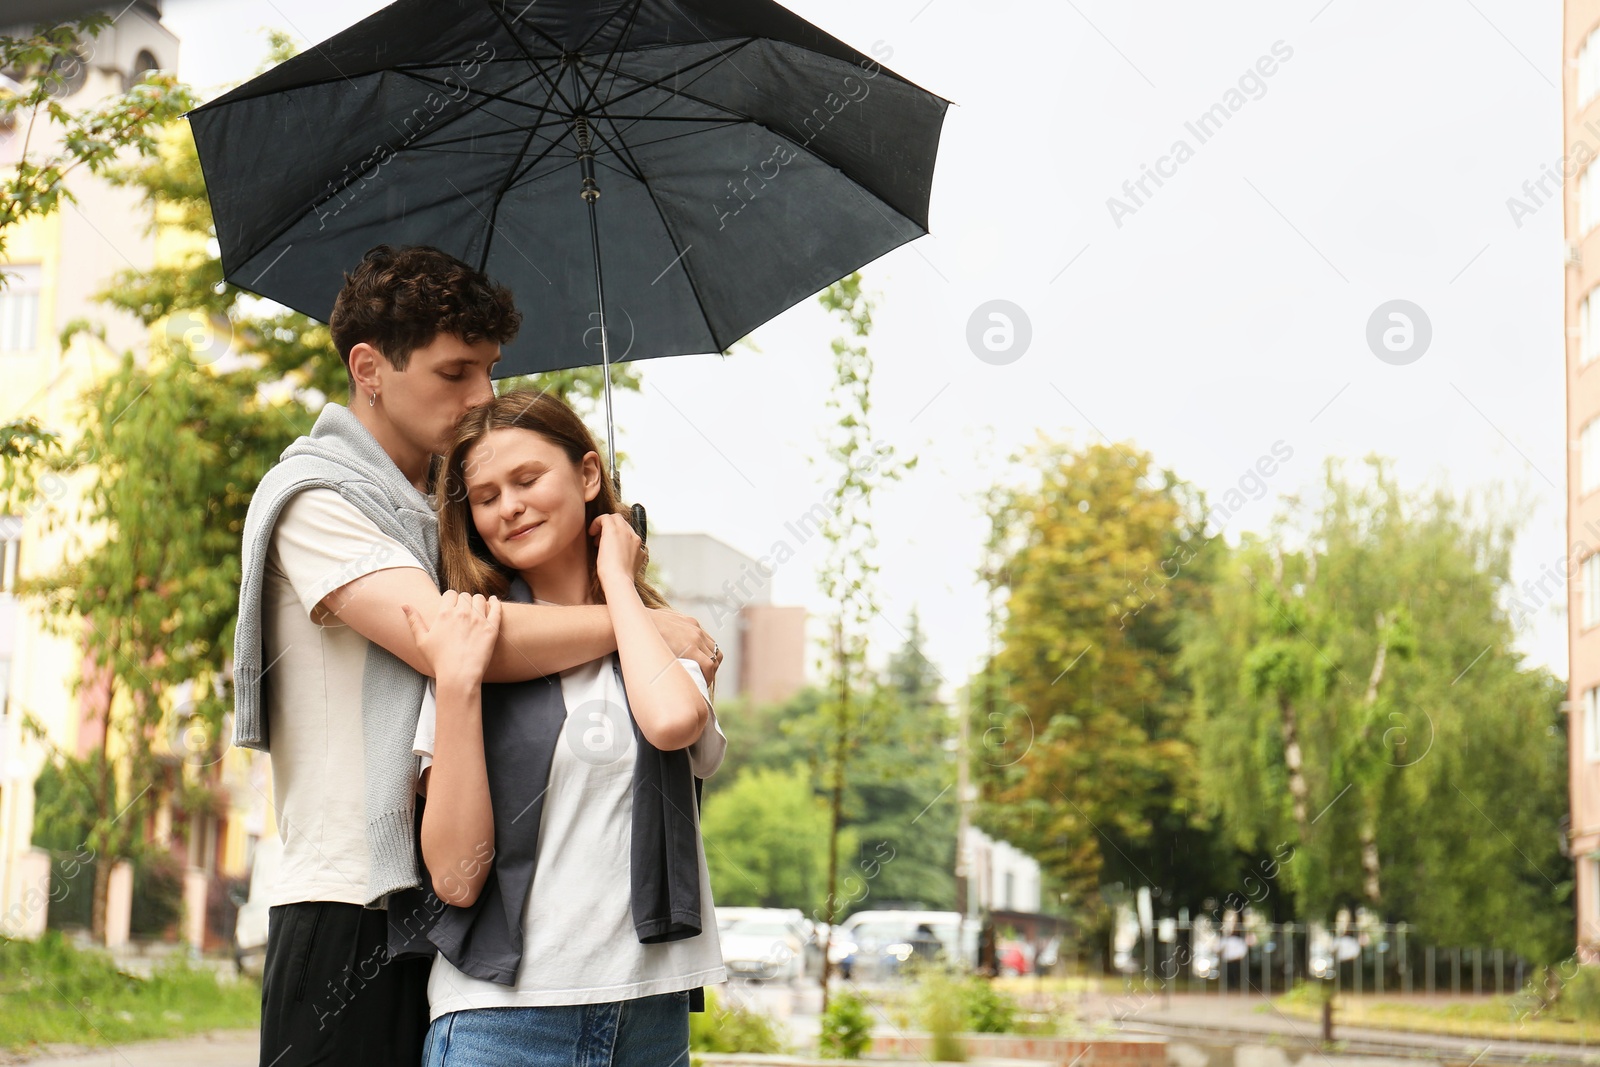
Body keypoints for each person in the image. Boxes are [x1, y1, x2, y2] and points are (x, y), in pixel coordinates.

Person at [232, 247, 720, 1067]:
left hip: (444, 915)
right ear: (369, 369)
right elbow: (452, 640)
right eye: (455, 372)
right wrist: (635, 621)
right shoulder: (317, 498)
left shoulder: (437, 513)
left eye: (491, 371)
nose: (480, 398)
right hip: (351, 899)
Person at [404, 390, 728, 1067]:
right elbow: (456, 879)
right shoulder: (476, 641)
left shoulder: (664, 637)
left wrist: (617, 579)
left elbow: (671, 721)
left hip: (648, 1014)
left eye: (527, 479)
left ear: (587, 475)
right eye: (486, 495)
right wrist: (458, 684)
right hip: (503, 1022)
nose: (509, 506)